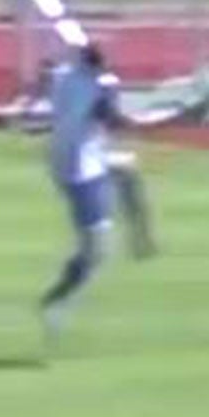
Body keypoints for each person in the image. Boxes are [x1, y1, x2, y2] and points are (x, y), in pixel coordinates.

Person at [38, 41, 131, 340]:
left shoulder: (64, 75)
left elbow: (46, 73)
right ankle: (57, 300)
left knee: (97, 238)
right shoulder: (99, 87)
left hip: (63, 161)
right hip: (81, 169)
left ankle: (60, 297)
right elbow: (112, 118)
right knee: (98, 247)